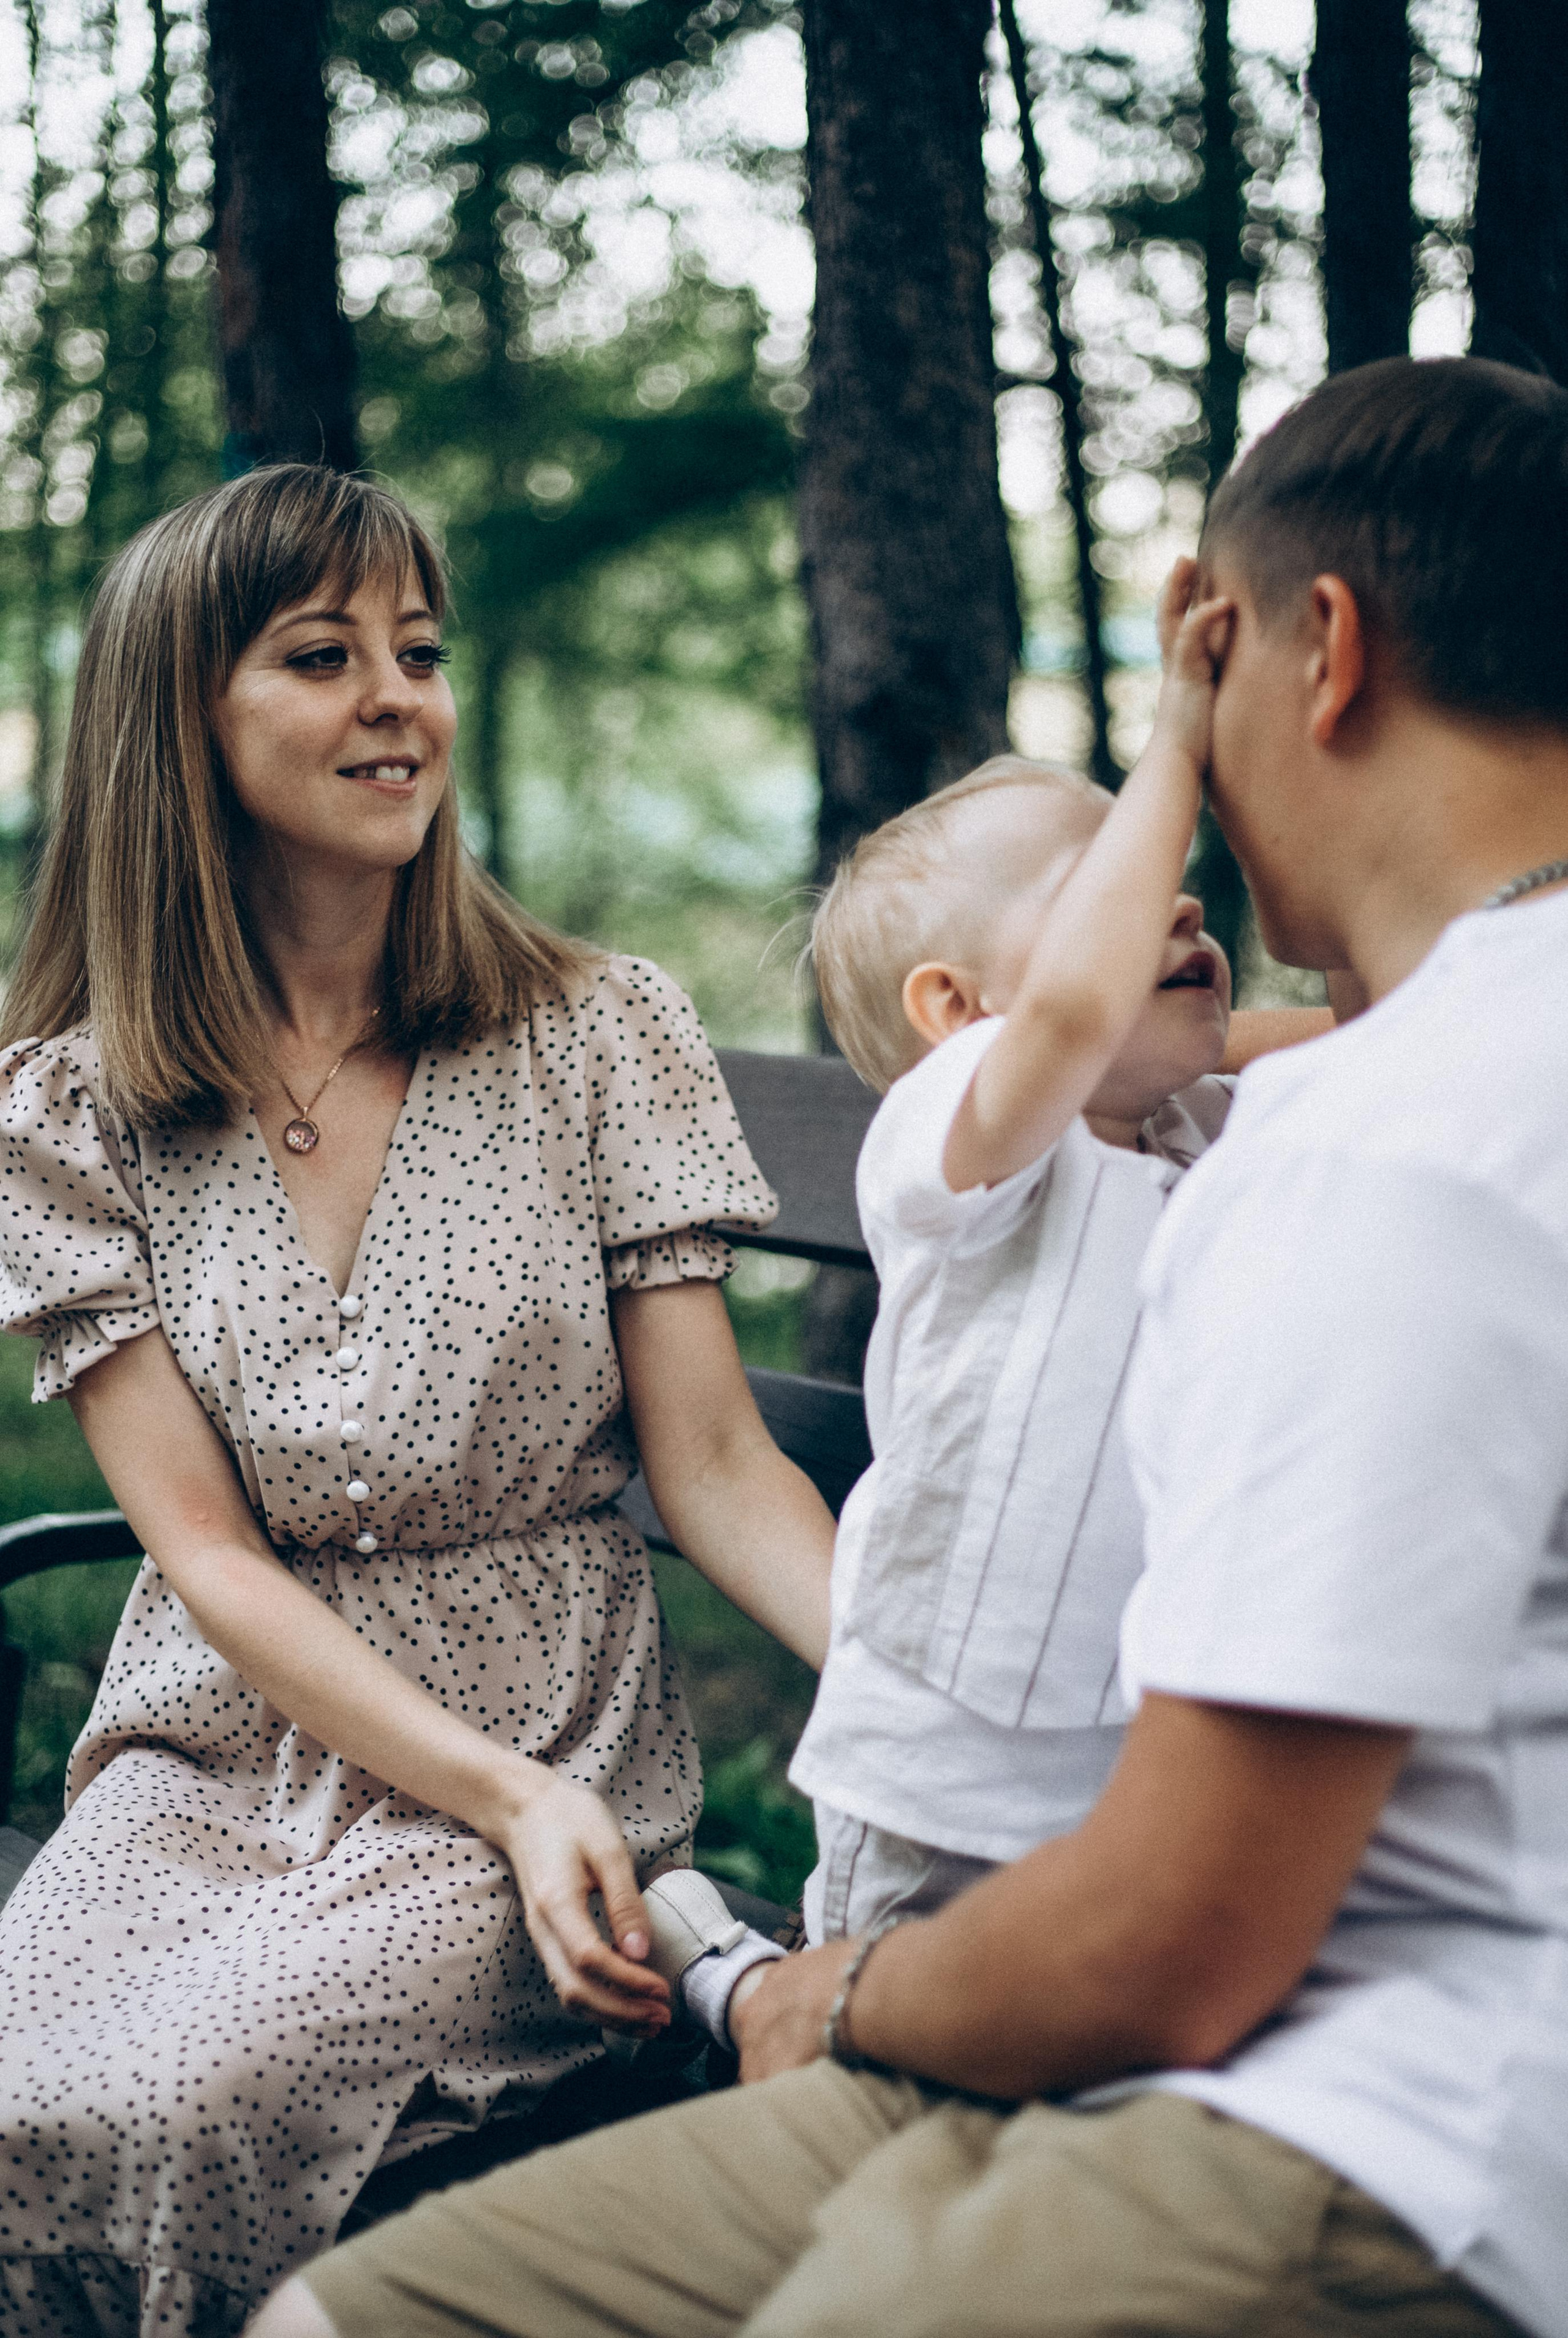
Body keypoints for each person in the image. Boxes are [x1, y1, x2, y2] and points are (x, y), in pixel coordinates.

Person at [260, 353, 1568, 2338]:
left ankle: (753, 1985)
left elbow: (1173, 1932)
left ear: (1312, 655)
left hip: (1369, 2095)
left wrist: (834, 1992)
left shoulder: (1380, 1146)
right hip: (1125, 1947)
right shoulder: (1332, 1105)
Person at [0, 464, 837, 2338]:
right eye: (322, 655)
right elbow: (201, 1550)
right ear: (181, 729)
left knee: (201, 2094)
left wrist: (930, 1697)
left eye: (420, 650)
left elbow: (711, 1461)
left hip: (536, 1742)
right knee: (20, 2099)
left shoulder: (593, 1030)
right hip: (217, 1749)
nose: (398, 698)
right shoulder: (75, 1109)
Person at [644, 573, 1340, 2051]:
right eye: (1102, 889)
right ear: (953, 1008)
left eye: (1169, 878)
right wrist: (1171, 747)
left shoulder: (1186, 1121)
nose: (1175, 896)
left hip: (1126, 1754)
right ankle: (742, 1987)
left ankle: (732, 1974)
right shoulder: (953, 1131)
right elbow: (1074, 1019)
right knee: (850, 2056)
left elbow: (1367, 1025)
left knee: (1063, 2055)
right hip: (936, 1758)